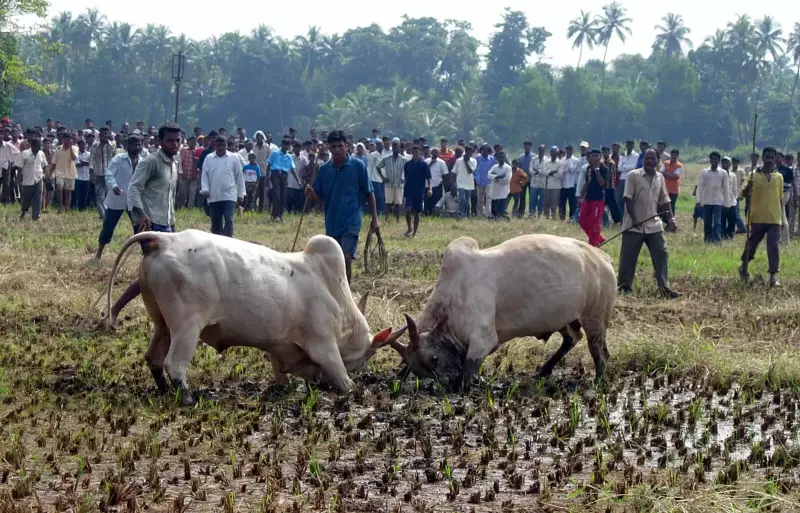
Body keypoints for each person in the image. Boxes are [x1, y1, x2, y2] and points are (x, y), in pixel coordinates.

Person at [107, 123, 181, 328]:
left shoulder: (173, 164)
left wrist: (173, 224)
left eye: (178, 140)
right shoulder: (151, 162)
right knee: (155, 274)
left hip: (165, 224)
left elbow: (169, 198)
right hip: (149, 223)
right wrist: (140, 215)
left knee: (158, 275)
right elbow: (133, 189)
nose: (175, 144)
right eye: (170, 140)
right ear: (160, 141)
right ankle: (115, 310)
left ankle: (166, 319)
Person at [305, 130, 379, 284]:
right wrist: (311, 194)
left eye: (340, 146)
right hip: (332, 222)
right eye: (333, 146)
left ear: (347, 146)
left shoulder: (357, 166)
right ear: (329, 148)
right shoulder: (325, 170)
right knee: (332, 261)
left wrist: (375, 219)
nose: (337, 149)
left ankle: (346, 294)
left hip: (351, 221)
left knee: (345, 258)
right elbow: (319, 197)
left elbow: (369, 193)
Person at [617, 149, 680, 299]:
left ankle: (664, 288)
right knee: (628, 258)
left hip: (654, 225)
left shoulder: (660, 178)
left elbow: (665, 200)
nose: (649, 161)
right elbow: (628, 199)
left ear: (657, 160)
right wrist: (635, 218)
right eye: (647, 158)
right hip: (634, 226)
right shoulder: (634, 175)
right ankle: (624, 288)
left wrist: (671, 219)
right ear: (643, 159)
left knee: (662, 254)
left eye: (653, 159)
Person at [740, 147, 783, 287]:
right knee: (751, 245)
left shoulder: (779, 177)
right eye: (767, 157)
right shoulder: (753, 175)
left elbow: (780, 198)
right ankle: (744, 266)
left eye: (772, 157)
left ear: (775, 158)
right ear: (762, 158)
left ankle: (772, 276)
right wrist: (748, 187)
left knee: (773, 247)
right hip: (757, 217)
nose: (770, 160)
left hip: (774, 219)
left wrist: (781, 217)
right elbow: (743, 194)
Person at [95, 135, 143, 260]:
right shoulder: (118, 159)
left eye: (139, 144)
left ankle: (145, 255)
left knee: (140, 228)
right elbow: (109, 174)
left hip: (134, 199)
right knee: (108, 226)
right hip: (117, 197)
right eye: (134, 144)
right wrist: (114, 186)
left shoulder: (144, 161)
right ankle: (99, 252)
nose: (137, 147)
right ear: (128, 146)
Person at [201, 135, 245, 237]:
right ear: (215, 146)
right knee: (216, 224)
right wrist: (205, 189)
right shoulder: (209, 158)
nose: (221, 148)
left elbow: (239, 176)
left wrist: (241, 194)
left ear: (226, 146)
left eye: (223, 145)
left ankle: (229, 242)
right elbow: (204, 175)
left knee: (229, 220)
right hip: (213, 195)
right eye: (219, 145)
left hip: (229, 195)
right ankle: (218, 245)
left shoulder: (234, 158)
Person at [696, 151, 731, 244]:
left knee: (717, 222)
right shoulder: (705, 172)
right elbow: (700, 187)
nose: (714, 161)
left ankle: (717, 241)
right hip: (707, 201)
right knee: (707, 222)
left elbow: (726, 189)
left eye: (716, 159)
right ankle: (707, 240)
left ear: (718, 160)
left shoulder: (723, 173)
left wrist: (727, 204)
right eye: (712, 159)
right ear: (710, 160)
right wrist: (698, 200)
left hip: (718, 201)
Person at [14, 128, 45, 220]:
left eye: (41, 146)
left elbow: (44, 164)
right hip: (28, 179)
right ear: (33, 146)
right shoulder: (25, 153)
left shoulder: (41, 153)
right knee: (26, 199)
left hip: (38, 179)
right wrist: (18, 178)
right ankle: (24, 211)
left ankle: (36, 216)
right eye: (38, 146)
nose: (40, 148)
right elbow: (20, 167)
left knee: (38, 198)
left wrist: (43, 174)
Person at [578, 149, 608, 247]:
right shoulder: (588, 168)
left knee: (595, 223)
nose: (594, 158)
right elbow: (587, 183)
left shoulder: (604, 169)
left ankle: (593, 245)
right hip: (588, 199)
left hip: (598, 200)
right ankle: (599, 238)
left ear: (600, 157)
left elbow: (602, 183)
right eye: (593, 156)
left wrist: (597, 170)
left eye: (597, 156)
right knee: (582, 221)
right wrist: (581, 196)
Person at [376, 138, 408, 222]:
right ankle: (386, 219)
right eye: (394, 145)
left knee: (398, 204)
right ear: (392, 146)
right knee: (388, 203)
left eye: (397, 145)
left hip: (399, 184)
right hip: (389, 184)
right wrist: (383, 178)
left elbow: (409, 170)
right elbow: (378, 167)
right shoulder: (386, 158)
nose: (395, 147)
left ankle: (397, 220)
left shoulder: (404, 159)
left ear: (400, 147)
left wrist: (405, 179)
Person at [403, 146, 432, 237]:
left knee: (417, 212)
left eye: (417, 152)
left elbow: (429, 177)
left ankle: (414, 232)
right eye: (414, 152)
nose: (415, 153)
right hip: (408, 190)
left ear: (420, 152)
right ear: (411, 152)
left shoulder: (424, 165)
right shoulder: (407, 164)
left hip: (419, 191)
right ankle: (409, 228)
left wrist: (430, 189)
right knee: (407, 210)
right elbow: (406, 176)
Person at [89, 126, 116, 220]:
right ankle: (103, 215)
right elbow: (91, 160)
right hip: (98, 174)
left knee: (109, 195)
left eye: (106, 133)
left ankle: (108, 213)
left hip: (109, 174)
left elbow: (115, 159)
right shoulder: (95, 146)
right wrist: (91, 174)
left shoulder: (112, 146)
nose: (104, 135)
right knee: (99, 195)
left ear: (108, 134)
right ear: (99, 135)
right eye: (102, 134)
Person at [50, 132, 77, 212]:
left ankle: (67, 208)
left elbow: (74, 158)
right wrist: (51, 172)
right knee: (59, 188)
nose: (67, 141)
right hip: (59, 172)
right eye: (65, 139)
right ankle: (60, 206)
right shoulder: (58, 149)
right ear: (62, 140)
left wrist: (71, 147)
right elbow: (54, 162)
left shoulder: (74, 148)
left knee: (68, 192)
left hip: (70, 172)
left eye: (68, 140)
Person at [452, 144, 477, 218]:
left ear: (472, 153)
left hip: (469, 184)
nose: (468, 154)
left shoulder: (474, 161)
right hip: (460, 183)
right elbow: (453, 172)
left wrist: (466, 162)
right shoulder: (458, 160)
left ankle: (465, 214)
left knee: (466, 201)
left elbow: (470, 171)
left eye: (470, 152)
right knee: (462, 199)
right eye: (467, 152)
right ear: (465, 152)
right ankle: (462, 213)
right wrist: (453, 183)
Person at [616, 140, 639, 217]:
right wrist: (628, 167)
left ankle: (629, 216)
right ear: (626, 145)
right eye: (628, 144)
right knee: (620, 199)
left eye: (630, 145)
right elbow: (618, 168)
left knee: (629, 198)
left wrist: (624, 167)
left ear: (633, 146)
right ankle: (622, 216)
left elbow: (634, 167)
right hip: (622, 179)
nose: (629, 146)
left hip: (631, 179)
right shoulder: (622, 155)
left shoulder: (636, 155)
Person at [487, 151, 511, 220]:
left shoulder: (508, 168)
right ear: (497, 158)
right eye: (500, 157)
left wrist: (496, 178)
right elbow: (488, 175)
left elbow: (507, 179)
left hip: (503, 192)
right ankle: (495, 219)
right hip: (495, 190)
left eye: (503, 157)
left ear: (505, 158)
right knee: (494, 210)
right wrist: (498, 177)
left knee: (501, 210)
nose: (501, 159)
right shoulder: (494, 167)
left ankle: (503, 219)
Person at [425, 148, 449, 216]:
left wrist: (444, 183)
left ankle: (435, 215)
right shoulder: (426, 161)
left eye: (436, 152)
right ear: (431, 153)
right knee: (427, 202)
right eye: (433, 152)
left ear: (438, 153)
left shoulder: (442, 162)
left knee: (436, 203)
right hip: (427, 185)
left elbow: (445, 174)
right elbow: (424, 171)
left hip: (437, 185)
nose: (435, 154)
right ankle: (427, 214)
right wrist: (431, 163)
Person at [560, 144, 580, 221]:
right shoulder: (562, 159)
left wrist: (568, 161)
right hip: (563, 184)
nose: (568, 151)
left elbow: (572, 170)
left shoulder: (575, 160)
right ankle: (562, 218)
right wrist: (566, 167)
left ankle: (572, 218)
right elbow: (561, 171)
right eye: (567, 150)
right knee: (562, 203)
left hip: (571, 184)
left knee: (572, 203)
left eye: (570, 150)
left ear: (572, 150)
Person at [542, 146, 563, 220]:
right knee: (546, 204)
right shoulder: (546, 161)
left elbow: (560, 174)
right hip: (547, 186)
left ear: (557, 153)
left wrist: (549, 173)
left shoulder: (560, 162)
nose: (553, 154)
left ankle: (554, 218)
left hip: (556, 187)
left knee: (554, 204)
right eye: (552, 152)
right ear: (550, 153)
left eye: (555, 152)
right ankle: (546, 218)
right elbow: (543, 172)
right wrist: (553, 171)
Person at [474, 144, 495, 217]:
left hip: (488, 181)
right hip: (479, 181)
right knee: (480, 199)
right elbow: (475, 169)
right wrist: (476, 178)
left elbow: (494, 170)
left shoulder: (492, 159)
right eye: (483, 149)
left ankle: (488, 214)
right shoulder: (478, 158)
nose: (485, 151)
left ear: (489, 150)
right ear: (481, 150)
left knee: (488, 198)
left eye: (486, 149)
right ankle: (480, 214)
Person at [778, 153, 794, 244]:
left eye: (778, 158)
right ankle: (780, 238)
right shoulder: (774, 169)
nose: (777, 159)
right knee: (779, 214)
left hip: (785, 193)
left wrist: (792, 195)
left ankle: (785, 239)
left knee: (782, 213)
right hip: (776, 194)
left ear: (782, 159)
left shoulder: (787, 170)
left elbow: (792, 184)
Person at [722, 156, 739, 240]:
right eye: (723, 162)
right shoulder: (719, 174)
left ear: (730, 164)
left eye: (727, 162)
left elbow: (735, 188)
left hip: (731, 201)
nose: (725, 164)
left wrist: (736, 198)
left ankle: (730, 234)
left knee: (732, 219)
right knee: (721, 220)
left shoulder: (733, 175)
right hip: (721, 201)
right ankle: (722, 234)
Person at [660, 149, 682, 215]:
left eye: (675, 155)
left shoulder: (679, 165)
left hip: (674, 190)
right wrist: (670, 174)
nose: (673, 157)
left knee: (671, 206)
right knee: (663, 205)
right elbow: (661, 173)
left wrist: (666, 173)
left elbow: (675, 176)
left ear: (677, 156)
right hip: (665, 188)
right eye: (672, 155)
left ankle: (671, 222)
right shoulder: (666, 163)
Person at [367, 140, 386, 215]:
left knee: (383, 198)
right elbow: (369, 168)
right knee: (378, 197)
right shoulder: (373, 155)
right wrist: (368, 180)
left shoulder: (383, 155)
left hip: (382, 180)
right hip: (375, 179)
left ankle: (382, 212)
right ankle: (377, 213)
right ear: (376, 146)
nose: (380, 146)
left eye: (381, 145)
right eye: (379, 145)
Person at [516, 141, 534, 218]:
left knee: (532, 197)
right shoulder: (520, 157)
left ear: (531, 147)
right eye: (525, 145)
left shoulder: (534, 157)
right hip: (522, 180)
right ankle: (521, 213)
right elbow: (518, 168)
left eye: (528, 145)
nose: (526, 147)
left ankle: (532, 213)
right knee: (522, 197)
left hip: (531, 180)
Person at [74, 139, 91, 211]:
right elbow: (77, 164)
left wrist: (83, 162)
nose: (83, 145)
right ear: (78, 145)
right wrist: (86, 163)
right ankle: (74, 207)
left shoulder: (89, 154)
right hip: (78, 177)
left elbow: (91, 163)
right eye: (81, 144)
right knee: (76, 193)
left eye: (84, 144)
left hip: (86, 177)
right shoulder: (76, 154)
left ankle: (82, 208)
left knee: (84, 194)